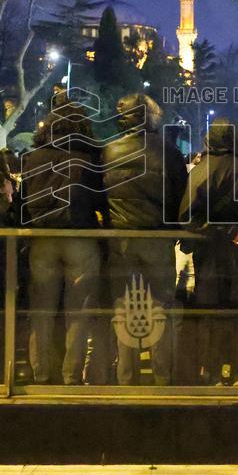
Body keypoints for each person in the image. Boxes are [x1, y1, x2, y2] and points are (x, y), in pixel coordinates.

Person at [101, 93, 188, 385]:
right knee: (160, 305)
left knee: (123, 305)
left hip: (121, 239)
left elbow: (101, 196)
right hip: (157, 237)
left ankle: (126, 375)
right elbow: (180, 198)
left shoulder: (108, 151)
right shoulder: (169, 152)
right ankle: (164, 374)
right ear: (151, 117)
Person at [21, 103, 105, 385]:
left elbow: (23, 201)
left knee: (41, 310)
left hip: (41, 240)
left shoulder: (32, 158)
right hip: (80, 238)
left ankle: (41, 373)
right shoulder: (89, 158)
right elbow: (100, 199)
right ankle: (72, 375)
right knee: (78, 312)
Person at [178, 117, 238, 386]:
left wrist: (217, 229)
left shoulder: (200, 170)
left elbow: (186, 216)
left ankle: (212, 371)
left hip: (209, 253)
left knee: (211, 314)